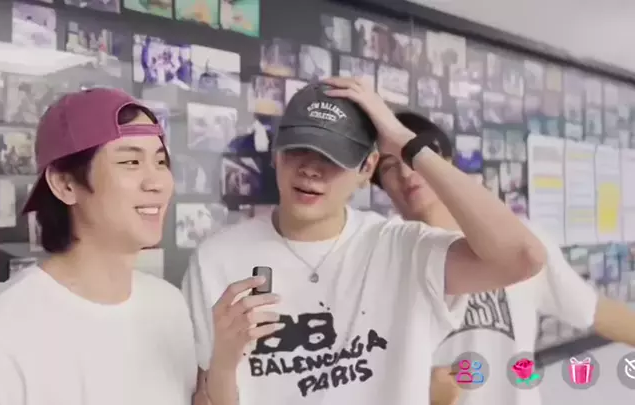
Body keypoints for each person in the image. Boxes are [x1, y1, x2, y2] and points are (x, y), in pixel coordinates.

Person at [182, 77, 547, 405]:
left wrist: (405, 141)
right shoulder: (218, 259)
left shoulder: (402, 249)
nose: (310, 169)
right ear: (277, 154)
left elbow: (523, 257)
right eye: (298, 149)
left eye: (332, 156)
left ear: (367, 168)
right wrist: (223, 365)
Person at [0, 88, 198, 405]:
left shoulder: (169, 306)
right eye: (131, 161)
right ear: (65, 184)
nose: (156, 182)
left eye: (160, 161)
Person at [370, 112, 635, 405]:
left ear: (445, 162)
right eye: (390, 166)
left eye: (414, 157)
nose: (406, 173)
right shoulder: (382, 256)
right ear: (380, 183)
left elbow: (592, 310)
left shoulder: (519, 242)